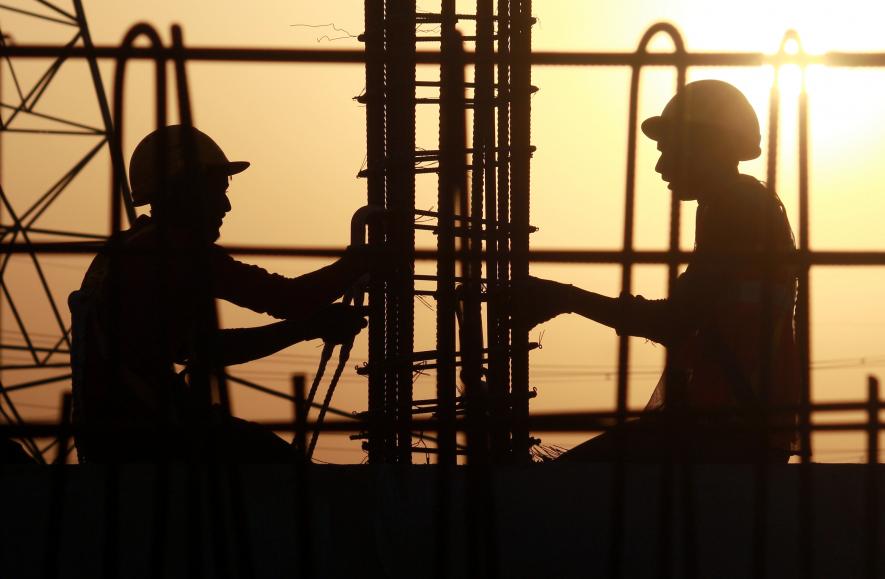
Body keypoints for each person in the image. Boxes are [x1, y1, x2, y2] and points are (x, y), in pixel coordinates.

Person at [515, 80, 800, 463]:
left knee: (568, 484)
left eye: (670, 150)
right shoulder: (735, 205)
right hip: (734, 425)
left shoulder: (738, 209)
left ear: (707, 146)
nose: (661, 166)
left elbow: (675, 321)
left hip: (728, 432)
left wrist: (566, 298)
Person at [69, 125, 371, 462]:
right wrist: (357, 264)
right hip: (149, 439)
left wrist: (308, 326)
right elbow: (288, 299)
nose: (226, 205)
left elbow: (204, 348)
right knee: (282, 471)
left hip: (115, 441)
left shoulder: (127, 253)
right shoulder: (174, 253)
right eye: (216, 190)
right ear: (184, 192)